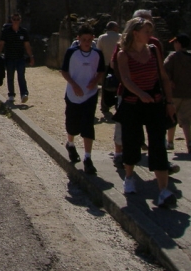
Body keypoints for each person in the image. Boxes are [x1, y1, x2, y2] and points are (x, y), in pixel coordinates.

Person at [116, 17, 176, 207]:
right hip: (133, 103)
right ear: (135, 33)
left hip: (154, 102)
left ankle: (163, 191)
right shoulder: (123, 54)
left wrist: (170, 101)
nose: (150, 35)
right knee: (132, 141)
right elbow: (126, 79)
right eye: (146, 31)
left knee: (157, 143)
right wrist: (140, 93)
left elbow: (163, 77)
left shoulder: (153, 50)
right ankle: (130, 176)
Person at [60, 24, 105, 175]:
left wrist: (95, 81)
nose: (86, 42)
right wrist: (74, 85)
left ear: (93, 39)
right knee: (72, 124)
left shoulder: (97, 53)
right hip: (73, 94)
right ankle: (70, 143)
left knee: (87, 125)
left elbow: (100, 71)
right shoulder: (72, 52)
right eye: (83, 39)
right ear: (78, 39)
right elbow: (64, 71)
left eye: (89, 39)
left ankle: (88, 158)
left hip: (90, 95)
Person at [0, 13, 35, 104]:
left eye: (17, 19)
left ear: (20, 20)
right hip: (9, 57)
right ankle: (11, 95)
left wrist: (31, 56)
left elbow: (27, 45)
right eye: (14, 19)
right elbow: (1, 43)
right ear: (11, 20)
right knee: (10, 77)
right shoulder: (6, 31)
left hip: (20, 57)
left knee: (21, 76)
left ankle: (24, 94)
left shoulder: (23, 31)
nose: (16, 20)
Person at [165, 33, 191, 153]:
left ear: (178, 44)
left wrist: (169, 81)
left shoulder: (173, 56)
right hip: (188, 93)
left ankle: (170, 142)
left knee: (171, 117)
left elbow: (164, 70)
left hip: (174, 93)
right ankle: (189, 142)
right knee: (186, 120)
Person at [96, 21, 121, 115]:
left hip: (105, 64)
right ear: (114, 28)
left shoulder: (102, 38)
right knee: (118, 85)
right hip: (118, 65)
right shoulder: (120, 37)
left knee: (105, 86)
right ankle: (117, 105)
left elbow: (98, 51)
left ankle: (104, 106)